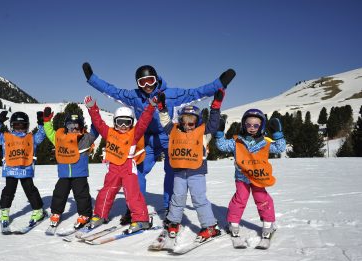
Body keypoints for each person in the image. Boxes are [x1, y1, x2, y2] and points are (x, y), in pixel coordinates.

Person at [82, 62, 236, 220]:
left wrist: (220, 83)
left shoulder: (171, 94)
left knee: (171, 172)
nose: (147, 85)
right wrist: (92, 78)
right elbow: (112, 91)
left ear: (156, 79)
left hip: (169, 138)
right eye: (142, 82)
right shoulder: (135, 96)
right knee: (136, 172)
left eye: (150, 80)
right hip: (148, 140)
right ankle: (135, 207)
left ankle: (170, 206)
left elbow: (196, 93)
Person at [83, 94, 159, 234]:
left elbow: (143, 121)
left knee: (132, 193)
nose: (123, 126)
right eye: (120, 122)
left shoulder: (134, 133)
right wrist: (92, 108)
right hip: (113, 167)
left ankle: (141, 219)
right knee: (107, 191)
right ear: (115, 122)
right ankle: (100, 214)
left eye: (127, 122)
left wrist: (151, 107)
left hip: (128, 166)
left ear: (131, 123)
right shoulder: (110, 132)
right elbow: (99, 123)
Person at [157, 90, 224, 241]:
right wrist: (162, 109)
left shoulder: (203, 133)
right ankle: (173, 221)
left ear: (197, 122)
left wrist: (216, 106)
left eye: (191, 123)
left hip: (197, 172)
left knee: (199, 199)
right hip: (180, 172)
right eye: (184, 122)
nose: (187, 126)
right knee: (177, 197)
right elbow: (165, 122)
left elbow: (213, 124)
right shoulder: (174, 131)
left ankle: (209, 226)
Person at [215, 109, 286, 238]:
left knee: (262, 199)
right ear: (243, 125)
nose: (252, 128)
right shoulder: (237, 142)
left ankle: (267, 224)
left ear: (261, 126)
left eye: (256, 125)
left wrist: (278, 134)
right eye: (248, 125)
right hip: (242, 178)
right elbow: (222, 146)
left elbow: (280, 148)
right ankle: (234, 224)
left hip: (259, 177)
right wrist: (219, 133)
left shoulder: (265, 142)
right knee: (240, 199)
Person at [42, 107, 99, 229]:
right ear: (65, 126)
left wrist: (94, 114)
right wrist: (47, 121)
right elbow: (50, 132)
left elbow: (96, 130)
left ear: (81, 126)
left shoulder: (85, 139)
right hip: (64, 175)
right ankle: (56, 212)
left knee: (82, 195)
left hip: (80, 175)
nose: (73, 129)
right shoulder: (60, 139)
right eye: (70, 126)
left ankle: (85, 214)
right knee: (59, 193)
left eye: (76, 126)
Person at [0, 110, 47, 229]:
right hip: (10, 170)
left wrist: (41, 123)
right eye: (17, 126)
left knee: (30, 190)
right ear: (12, 126)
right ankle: (4, 211)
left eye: (23, 126)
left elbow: (42, 134)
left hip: (25, 170)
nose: (20, 129)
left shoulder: (31, 138)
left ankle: (38, 210)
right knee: (8, 191)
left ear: (27, 126)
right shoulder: (6, 138)